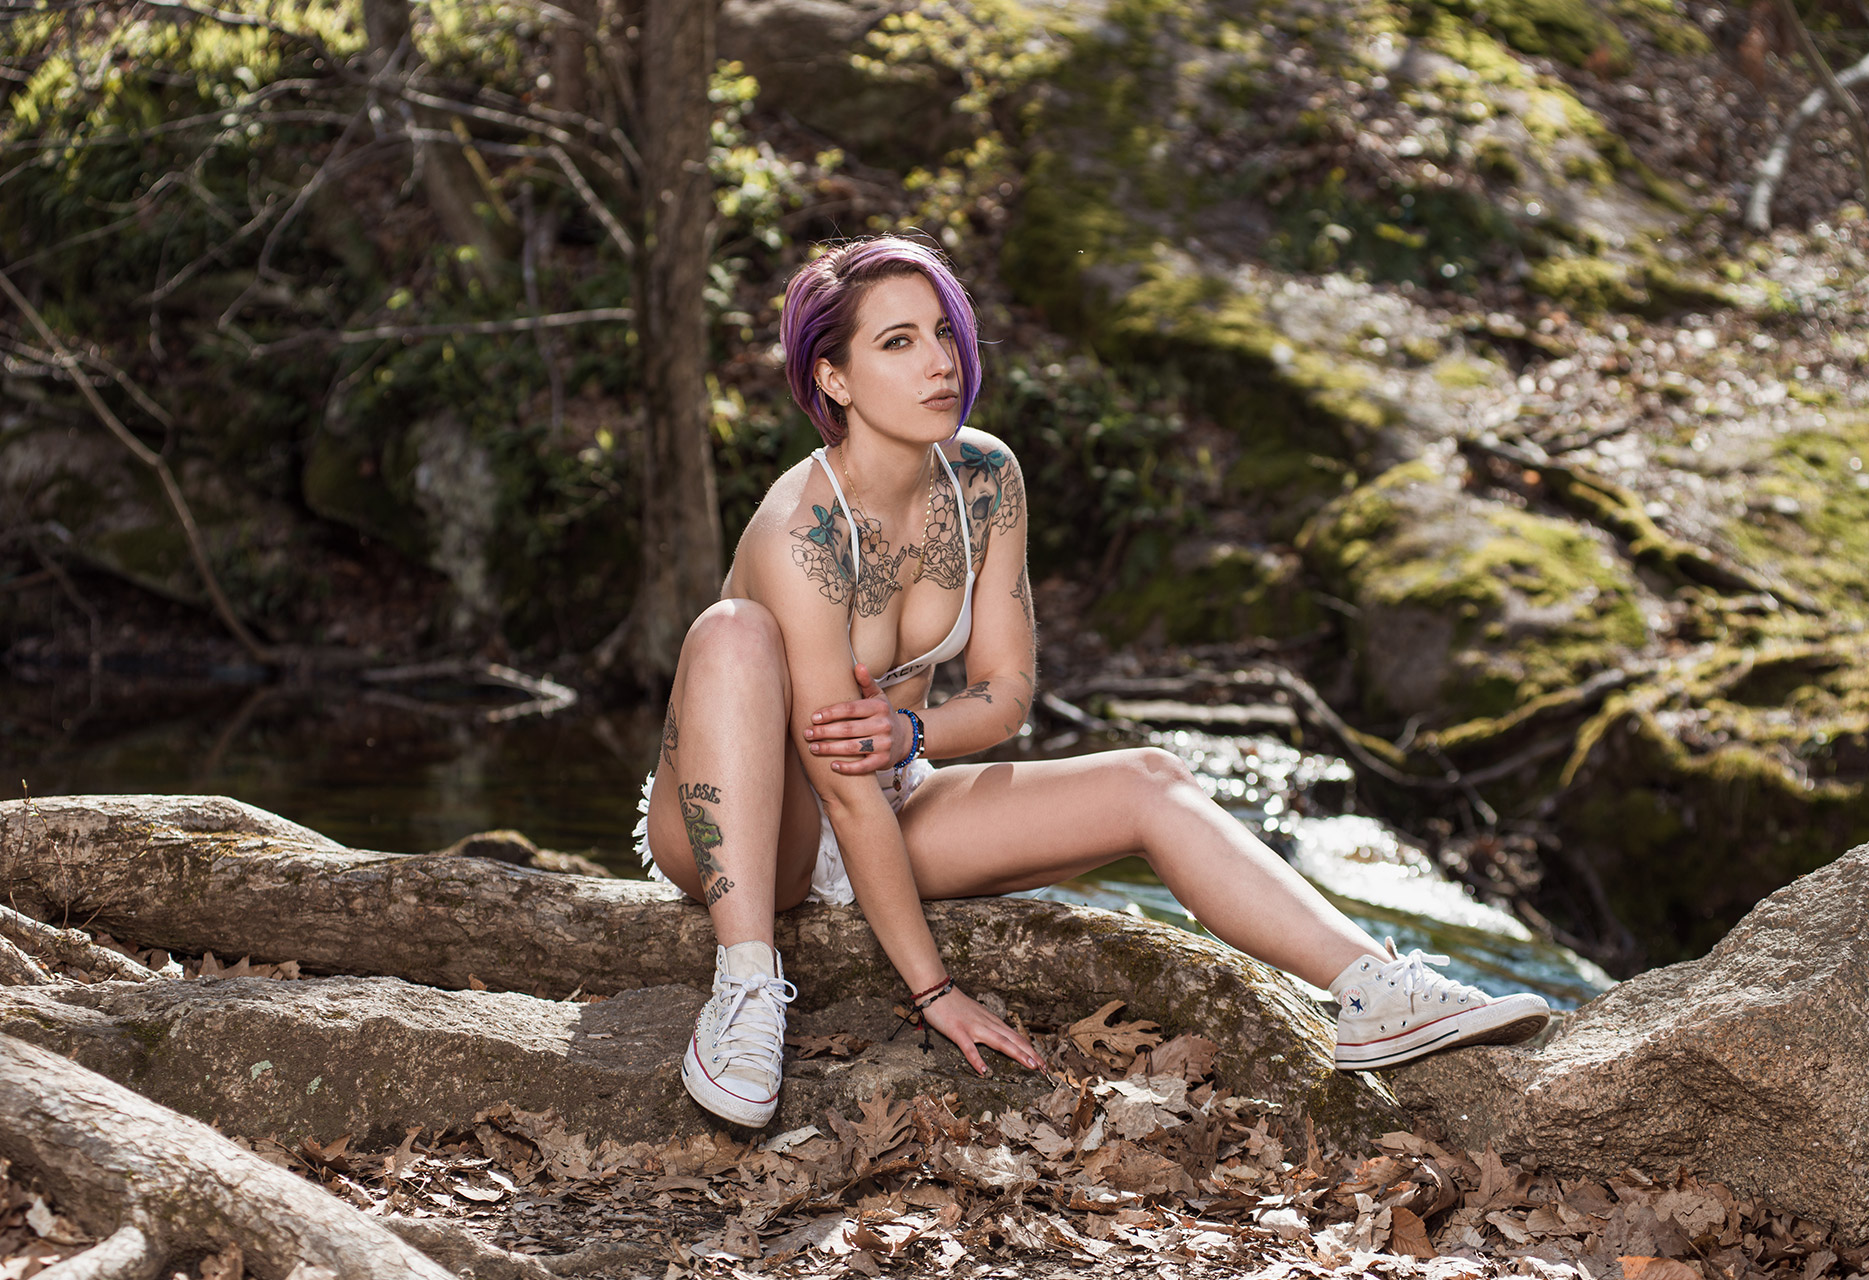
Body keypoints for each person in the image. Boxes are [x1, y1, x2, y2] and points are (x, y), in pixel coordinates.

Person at [633, 235, 1548, 1128]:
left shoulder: (986, 479)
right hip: (758, 827)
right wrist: (934, 989)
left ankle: (1374, 989)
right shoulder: (802, 528)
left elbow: (1005, 693)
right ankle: (745, 985)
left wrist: (913, 735)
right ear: (833, 378)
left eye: (943, 331)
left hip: (895, 796)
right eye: (898, 341)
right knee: (730, 632)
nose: (939, 361)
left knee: (1151, 778)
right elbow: (837, 777)